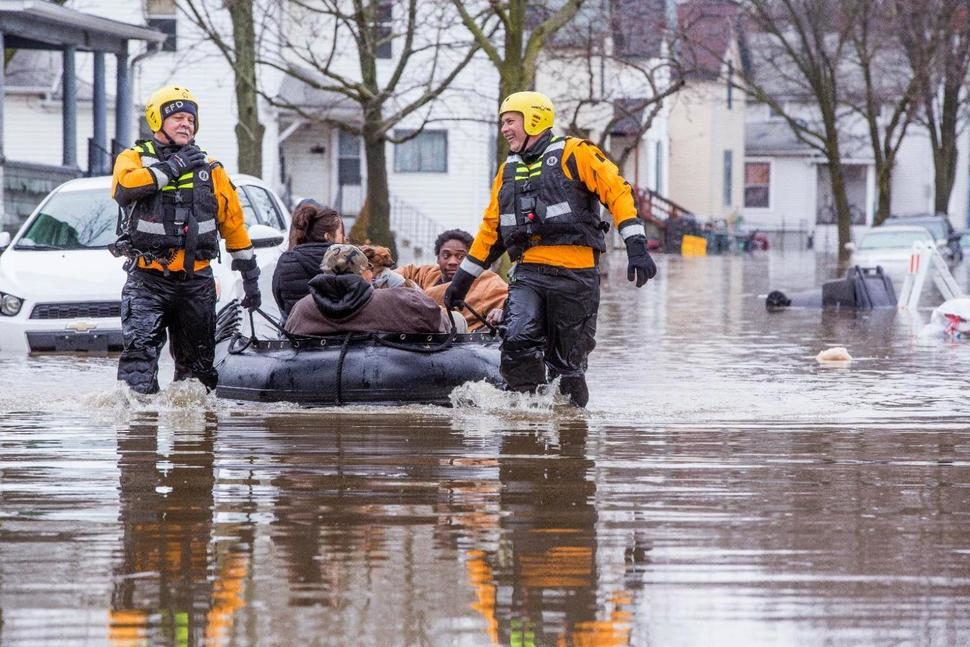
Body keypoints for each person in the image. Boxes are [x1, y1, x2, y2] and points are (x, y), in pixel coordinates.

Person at [443, 91, 657, 407]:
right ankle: (524, 419)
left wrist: (636, 244)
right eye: (503, 122)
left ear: (534, 119)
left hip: (576, 277)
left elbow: (618, 192)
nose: (504, 129)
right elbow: (491, 231)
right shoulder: (507, 171)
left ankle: (571, 435)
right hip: (528, 274)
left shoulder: (576, 153)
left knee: (567, 366)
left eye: (510, 121)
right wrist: (461, 283)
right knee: (516, 341)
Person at [111, 85, 260, 394]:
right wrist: (174, 166)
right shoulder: (133, 159)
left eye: (190, 120)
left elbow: (233, 224)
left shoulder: (212, 169)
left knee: (198, 374)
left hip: (196, 281)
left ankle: (194, 438)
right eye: (177, 117)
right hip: (147, 281)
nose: (185, 124)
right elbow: (124, 188)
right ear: (157, 121)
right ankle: (139, 432)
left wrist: (251, 277)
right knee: (138, 366)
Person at [285, 244, 453, 336]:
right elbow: (440, 322)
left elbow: (289, 340)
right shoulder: (401, 301)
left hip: (321, 378)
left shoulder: (301, 308)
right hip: (393, 374)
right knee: (457, 320)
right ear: (365, 274)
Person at [398, 229, 508, 331]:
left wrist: (500, 312)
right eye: (446, 255)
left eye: (460, 257)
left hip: (462, 345)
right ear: (437, 258)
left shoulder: (486, 281)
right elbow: (401, 274)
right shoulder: (429, 274)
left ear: (471, 259)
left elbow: (510, 303)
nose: (452, 262)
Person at [272, 199, 344, 320]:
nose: (343, 237)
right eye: (340, 233)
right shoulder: (345, 261)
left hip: (298, 334)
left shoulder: (285, 261)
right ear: (327, 236)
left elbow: (279, 299)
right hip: (342, 335)